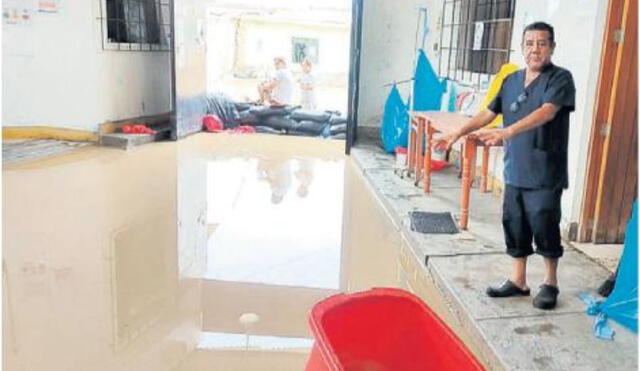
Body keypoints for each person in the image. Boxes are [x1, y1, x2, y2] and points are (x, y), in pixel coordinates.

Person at [434, 22, 575, 310]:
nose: (535, 49)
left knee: (544, 223)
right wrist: (457, 133)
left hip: (545, 169)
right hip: (516, 169)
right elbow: (488, 112)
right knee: (515, 223)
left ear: (552, 47)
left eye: (542, 43)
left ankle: (550, 283)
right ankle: (519, 281)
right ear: (522, 47)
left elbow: (547, 112)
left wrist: (507, 132)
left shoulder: (560, 79)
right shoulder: (511, 81)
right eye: (529, 43)